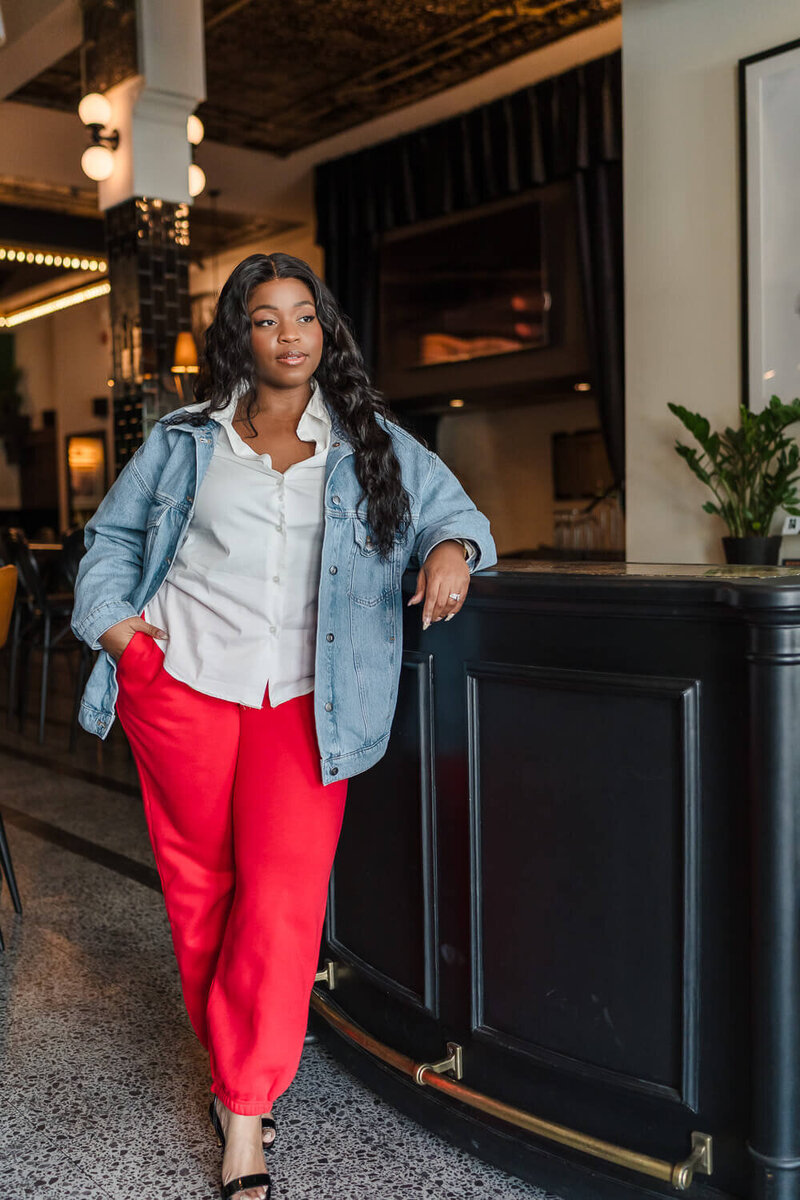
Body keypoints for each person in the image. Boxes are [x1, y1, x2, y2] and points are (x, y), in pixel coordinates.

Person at [71, 252, 497, 1199]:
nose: (288, 334)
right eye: (265, 319)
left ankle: (245, 1113)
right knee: (201, 891)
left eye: (302, 315)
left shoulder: (369, 440)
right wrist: (118, 632)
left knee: (283, 899)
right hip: (180, 682)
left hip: (308, 699)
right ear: (242, 336)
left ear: (324, 328)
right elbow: (112, 540)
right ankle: (237, 1077)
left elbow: (456, 512)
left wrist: (454, 550)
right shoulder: (186, 438)